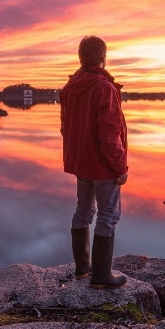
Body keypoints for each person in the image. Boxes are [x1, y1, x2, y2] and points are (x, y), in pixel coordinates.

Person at [59, 35, 128, 289]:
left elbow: (65, 129)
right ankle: (101, 276)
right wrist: (120, 167)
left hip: (81, 163)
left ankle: (82, 268)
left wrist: (76, 158)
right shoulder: (103, 88)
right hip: (102, 165)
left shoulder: (69, 88)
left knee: (83, 211)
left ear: (81, 57)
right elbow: (109, 134)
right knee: (109, 214)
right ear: (102, 57)